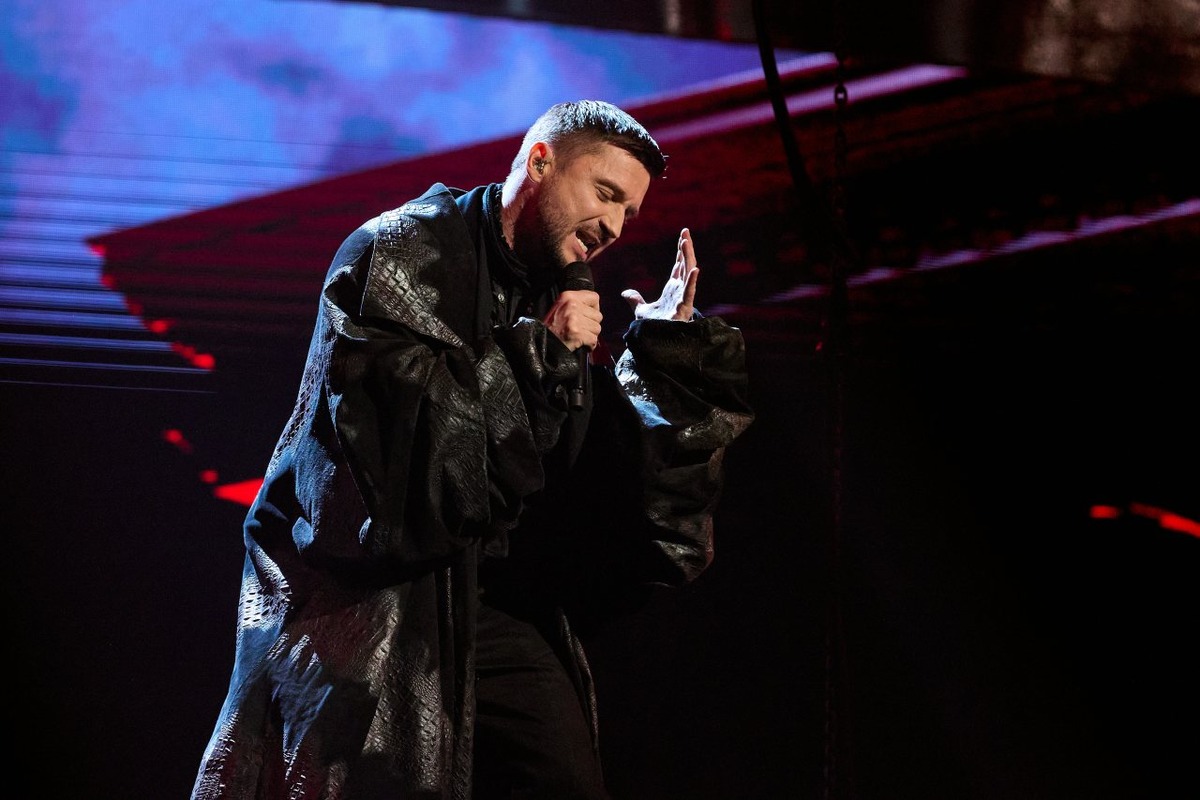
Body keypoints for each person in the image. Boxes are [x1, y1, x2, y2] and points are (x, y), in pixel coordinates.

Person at [191, 99, 753, 800]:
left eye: (629, 214)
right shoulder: (404, 251)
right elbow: (385, 468)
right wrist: (536, 357)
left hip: (492, 596)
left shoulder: (558, 295)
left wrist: (666, 363)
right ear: (540, 162)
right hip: (372, 598)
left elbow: (606, 499)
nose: (613, 225)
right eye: (605, 193)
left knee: (563, 777)